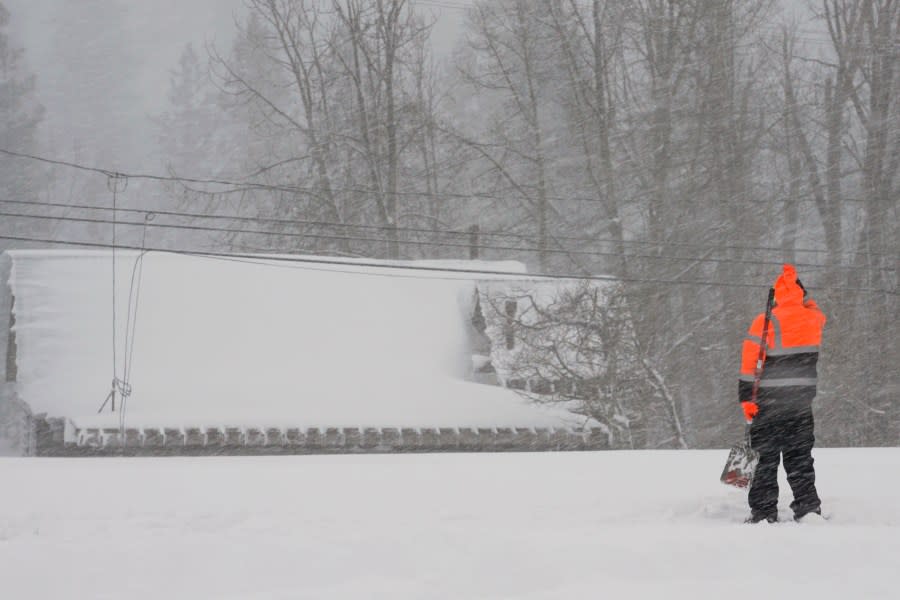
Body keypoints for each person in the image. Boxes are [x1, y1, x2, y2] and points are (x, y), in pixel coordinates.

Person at [739, 264, 826, 523]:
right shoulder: (812, 320)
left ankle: (764, 512)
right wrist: (800, 292)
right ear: (801, 294)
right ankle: (808, 508)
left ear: (776, 295)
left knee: (764, 461)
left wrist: (746, 399)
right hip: (800, 405)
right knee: (800, 459)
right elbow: (816, 310)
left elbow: (748, 364)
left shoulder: (764, 322)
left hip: (767, 404)